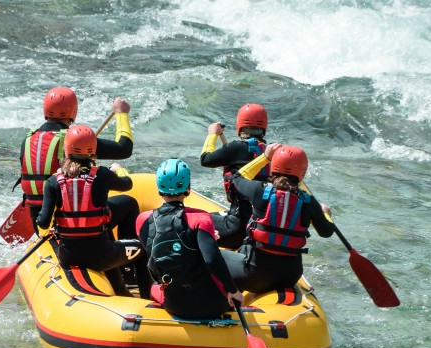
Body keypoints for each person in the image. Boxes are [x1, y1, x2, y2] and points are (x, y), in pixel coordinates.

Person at [36, 124, 151, 299]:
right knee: (143, 249)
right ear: (94, 150)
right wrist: (118, 170)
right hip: (101, 257)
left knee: (106, 230)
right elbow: (127, 184)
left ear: (66, 149)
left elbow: (43, 223)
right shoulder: (103, 174)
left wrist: (50, 229)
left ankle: (120, 288)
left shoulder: (53, 181)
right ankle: (146, 297)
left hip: (68, 257)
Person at [136, 158, 244, 320]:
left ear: (159, 188)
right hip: (213, 306)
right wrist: (234, 291)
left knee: (155, 288)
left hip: (174, 305)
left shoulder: (143, 220)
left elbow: (160, 250)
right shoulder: (201, 217)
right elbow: (212, 260)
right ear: (188, 188)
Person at [222, 143, 335, 294]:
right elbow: (326, 232)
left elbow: (237, 177)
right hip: (289, 278)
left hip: (254, 276)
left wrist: (265, 157)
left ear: (273, 166)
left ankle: (226, 299)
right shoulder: (308, 201)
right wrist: (325, 213)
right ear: (302, 172)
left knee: (212, 255)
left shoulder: (259, 191)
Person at [17, 86, 134, 229]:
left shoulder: (28, 139)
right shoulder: (73, 139)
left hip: (39, 217)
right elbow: (123, 149)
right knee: (128, 202)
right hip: (69, 217)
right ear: (74, 110)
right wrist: (121, 113)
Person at [200, 103, 272, 249]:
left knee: (191, 220)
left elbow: (205, 159)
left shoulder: (236, 147)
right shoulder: (273, 154)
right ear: (264, 127)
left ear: (240, 126)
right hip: (262, 231)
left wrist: (213, 134)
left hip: (237, 231)